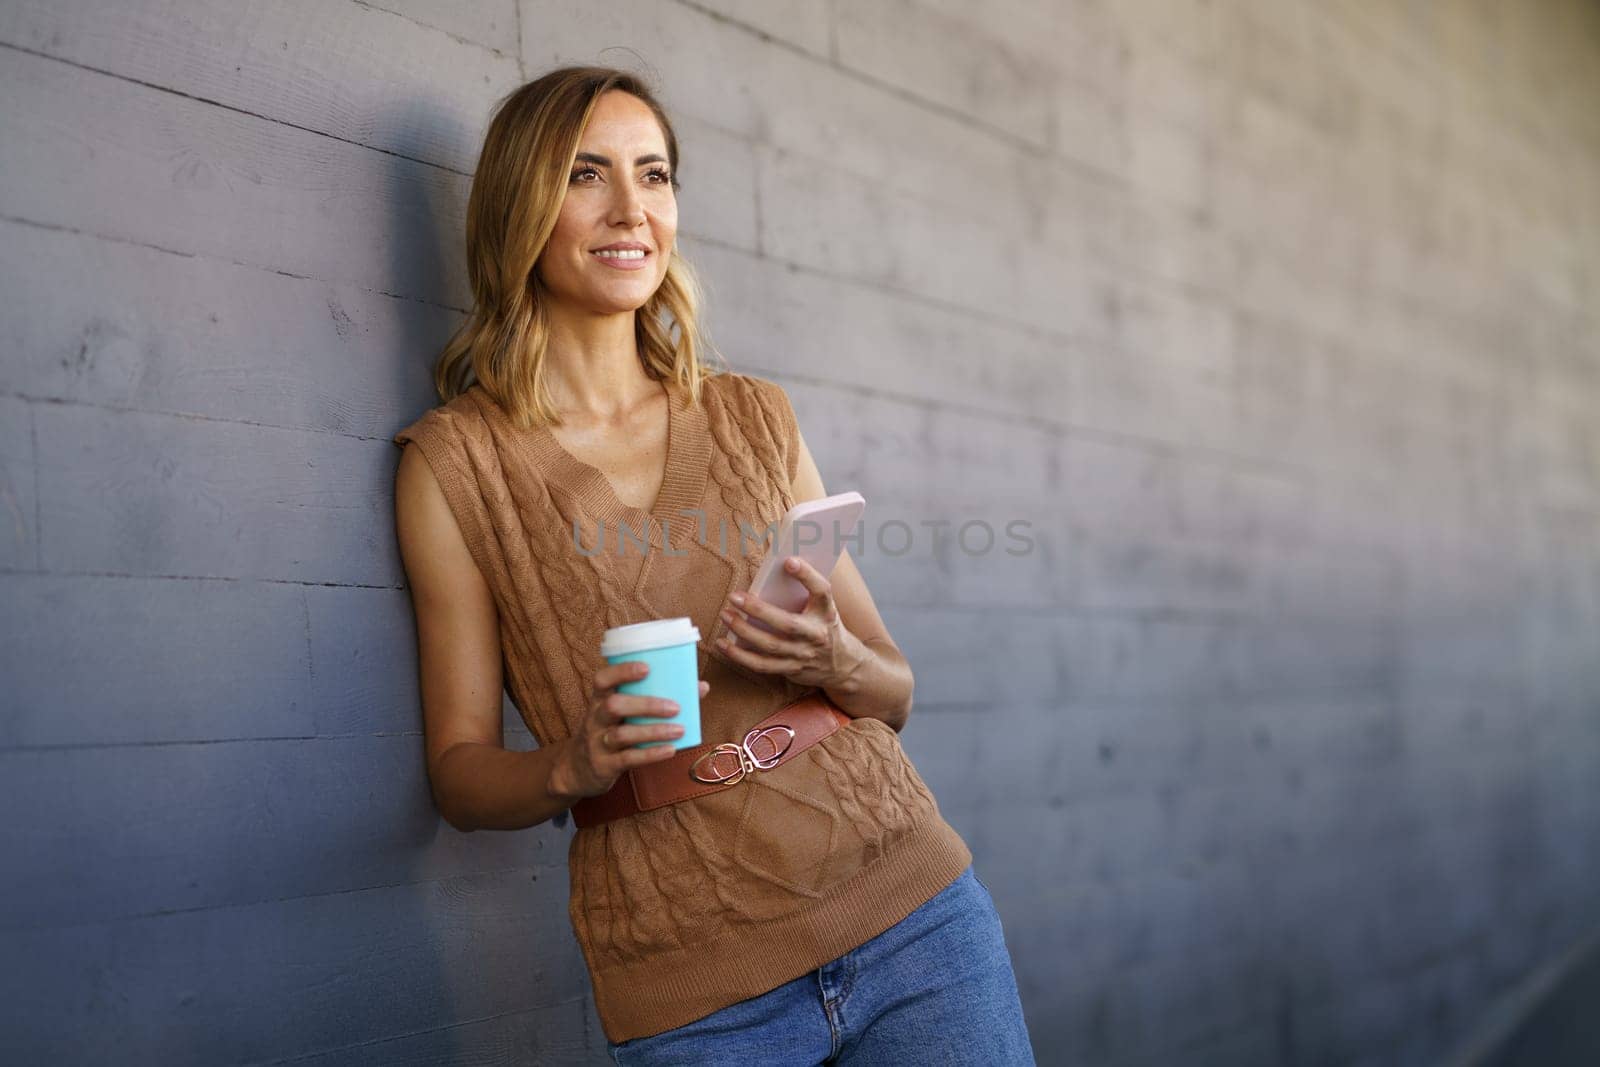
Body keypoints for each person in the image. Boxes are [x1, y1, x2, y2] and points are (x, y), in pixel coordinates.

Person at [391, 65, 1035, 1065]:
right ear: (521, 204)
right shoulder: (454, 465)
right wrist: (572, 761)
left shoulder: (752, 416)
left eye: (653, 175)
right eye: (584, 175)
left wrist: (831, 652)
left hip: (913, 914)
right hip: (693, 985)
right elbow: (459, 773)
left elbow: (892, 689)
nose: (630, 209)